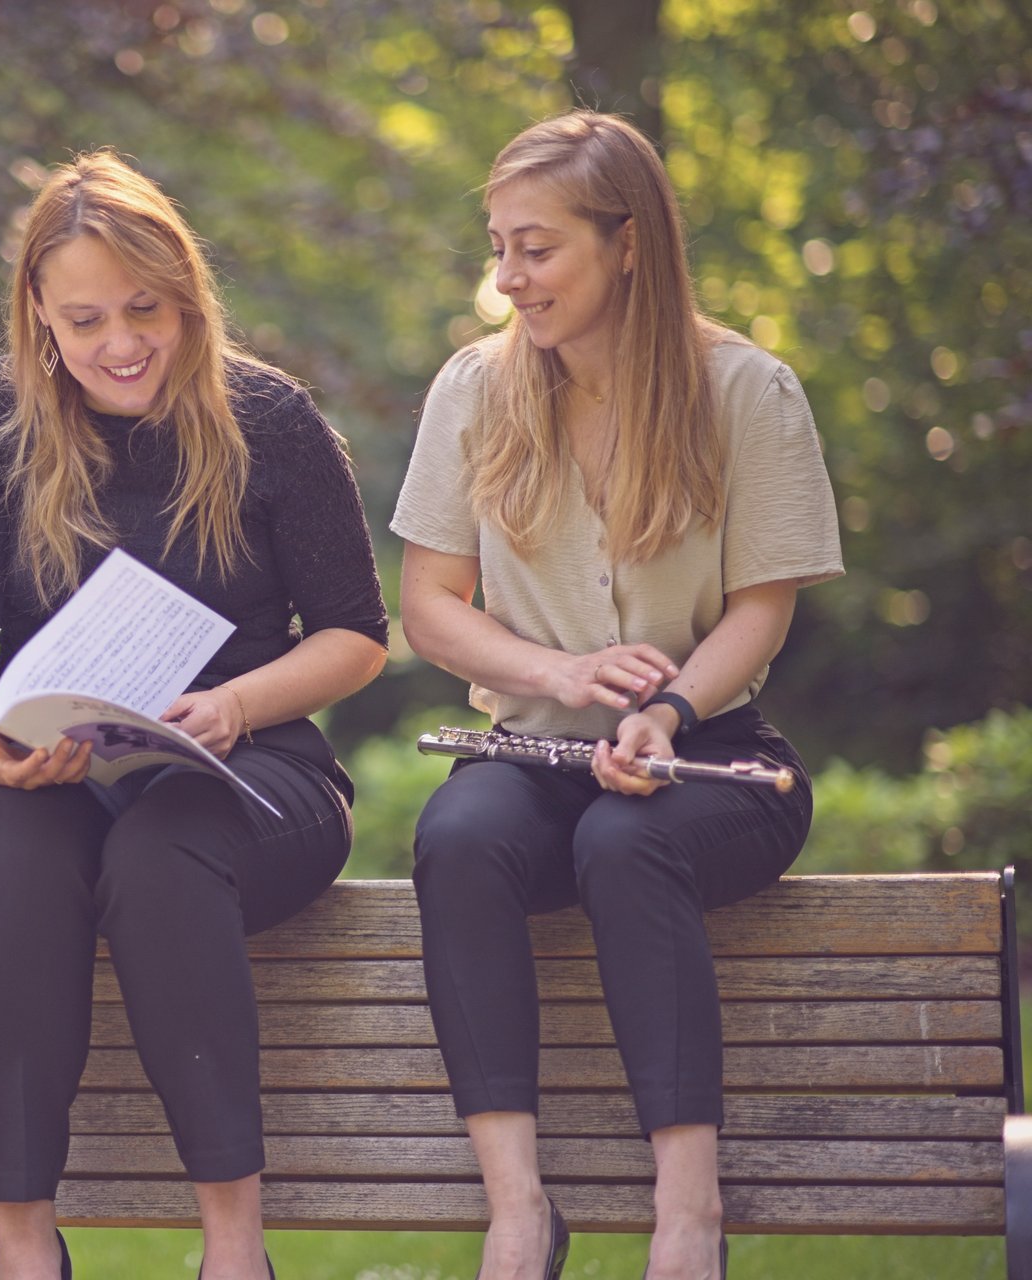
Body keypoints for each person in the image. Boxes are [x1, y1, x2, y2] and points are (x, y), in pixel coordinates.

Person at [0, 151, 389, 1280]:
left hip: (251, 765)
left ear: (187, 297)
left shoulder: (269, 418)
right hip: (51, 761)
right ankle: (25, 1248)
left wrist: (230, 703)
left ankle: (234, 1246)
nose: (119, 342)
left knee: (164, 846)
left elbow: (357, 636)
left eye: (145, 310)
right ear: (37, 309)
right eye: (84, 318)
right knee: (20, 860)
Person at [391, 110, 843, 1280]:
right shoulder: (474, 389)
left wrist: (668, 708)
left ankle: (688, 1216)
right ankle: (518, 1211)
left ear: (627, 241)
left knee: (628, 839)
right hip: (531, 748)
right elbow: (431, 603)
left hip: (713, 755)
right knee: (457, 836)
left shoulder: (748, 390)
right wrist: (559, 673)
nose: (509, 278)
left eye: (536, 248)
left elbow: (761, 607)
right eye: (498, 247)